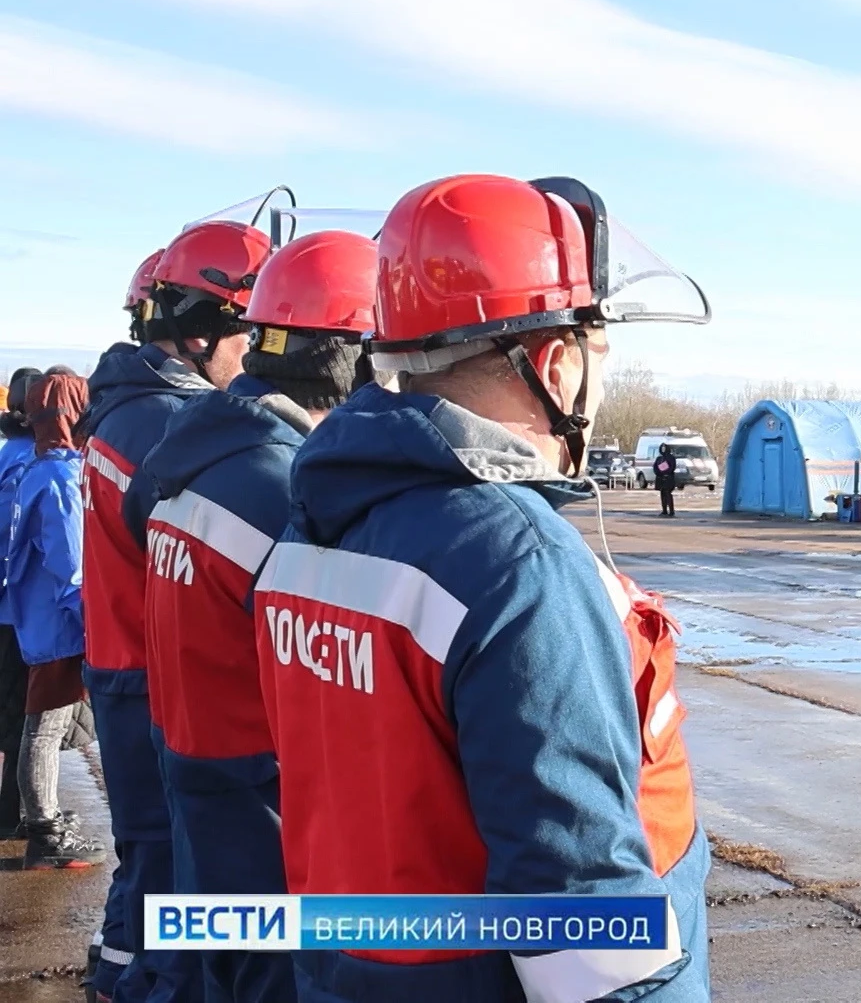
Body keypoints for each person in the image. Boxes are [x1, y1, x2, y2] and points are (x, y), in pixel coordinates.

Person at [250, 174, 708, 1002]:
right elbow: (586, 924)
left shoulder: (312, 519)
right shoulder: (517, 561)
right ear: (558, 366)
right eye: (599, 357)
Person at [141, 229, 378, 1003]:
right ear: (356, 361)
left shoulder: (203, 451)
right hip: (257, 798)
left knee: (223, 972)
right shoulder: (282, 486)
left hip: (197, 770)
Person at [82, 220, 267, 1003]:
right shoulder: (165, 427)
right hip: (147, 673)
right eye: (247, 337)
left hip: (125, 655)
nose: (254, 357)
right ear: (201, 335)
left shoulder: (125, 410)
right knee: (165, 859)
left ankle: (116, 969)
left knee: (147, 855)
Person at [7, 372, 108, 869]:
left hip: (39, 617)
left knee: (44, 722)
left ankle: (40, 816)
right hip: (61, 623)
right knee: (45, 725)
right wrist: (94, 622)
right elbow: (71, 564)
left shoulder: (38, 468)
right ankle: (45, 830)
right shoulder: (64, 479)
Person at [0, 367, 44, 838]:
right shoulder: (30, 463)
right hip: (18, 610)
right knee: (20, 716)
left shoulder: (8, 455)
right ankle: (13, 814)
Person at [654, 443, 679, 517]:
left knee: (668, 494)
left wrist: (666, 472)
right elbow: (655, 467)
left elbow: (672, 467)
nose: (663, 449)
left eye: (664, 448)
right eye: (662, 448)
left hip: (669, 478)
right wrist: (658, 472)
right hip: (660, 478)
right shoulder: (659, 458)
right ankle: (664, 510)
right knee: (662, 494)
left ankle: (671, 511)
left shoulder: (671, 458)